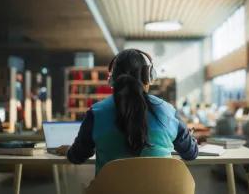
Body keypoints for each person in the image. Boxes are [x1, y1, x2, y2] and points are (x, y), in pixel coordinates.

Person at [57, 49, 198, 175]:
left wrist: (69, 151)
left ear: (112, 80)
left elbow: (77, 156)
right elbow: (190, 153)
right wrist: (189, 138)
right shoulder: (168, 111)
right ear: (148, 77)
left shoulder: (96, 113)